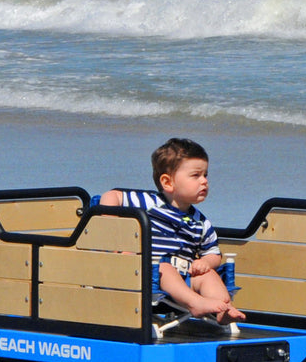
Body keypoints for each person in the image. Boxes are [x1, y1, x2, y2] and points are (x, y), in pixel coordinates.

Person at [99, 137, 245, 327]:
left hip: (183, 279)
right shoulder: (149, 203)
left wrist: (205, 263)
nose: (204, 181)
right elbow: (111, 196)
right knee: (164, 268)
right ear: (168, 182)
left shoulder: (200, 221)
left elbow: (214, 253)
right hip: (146, 275)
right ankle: (195, 303)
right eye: (196, 175)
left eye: (205, 175)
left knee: (208, 275)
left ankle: (224, 309)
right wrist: (113, 233)